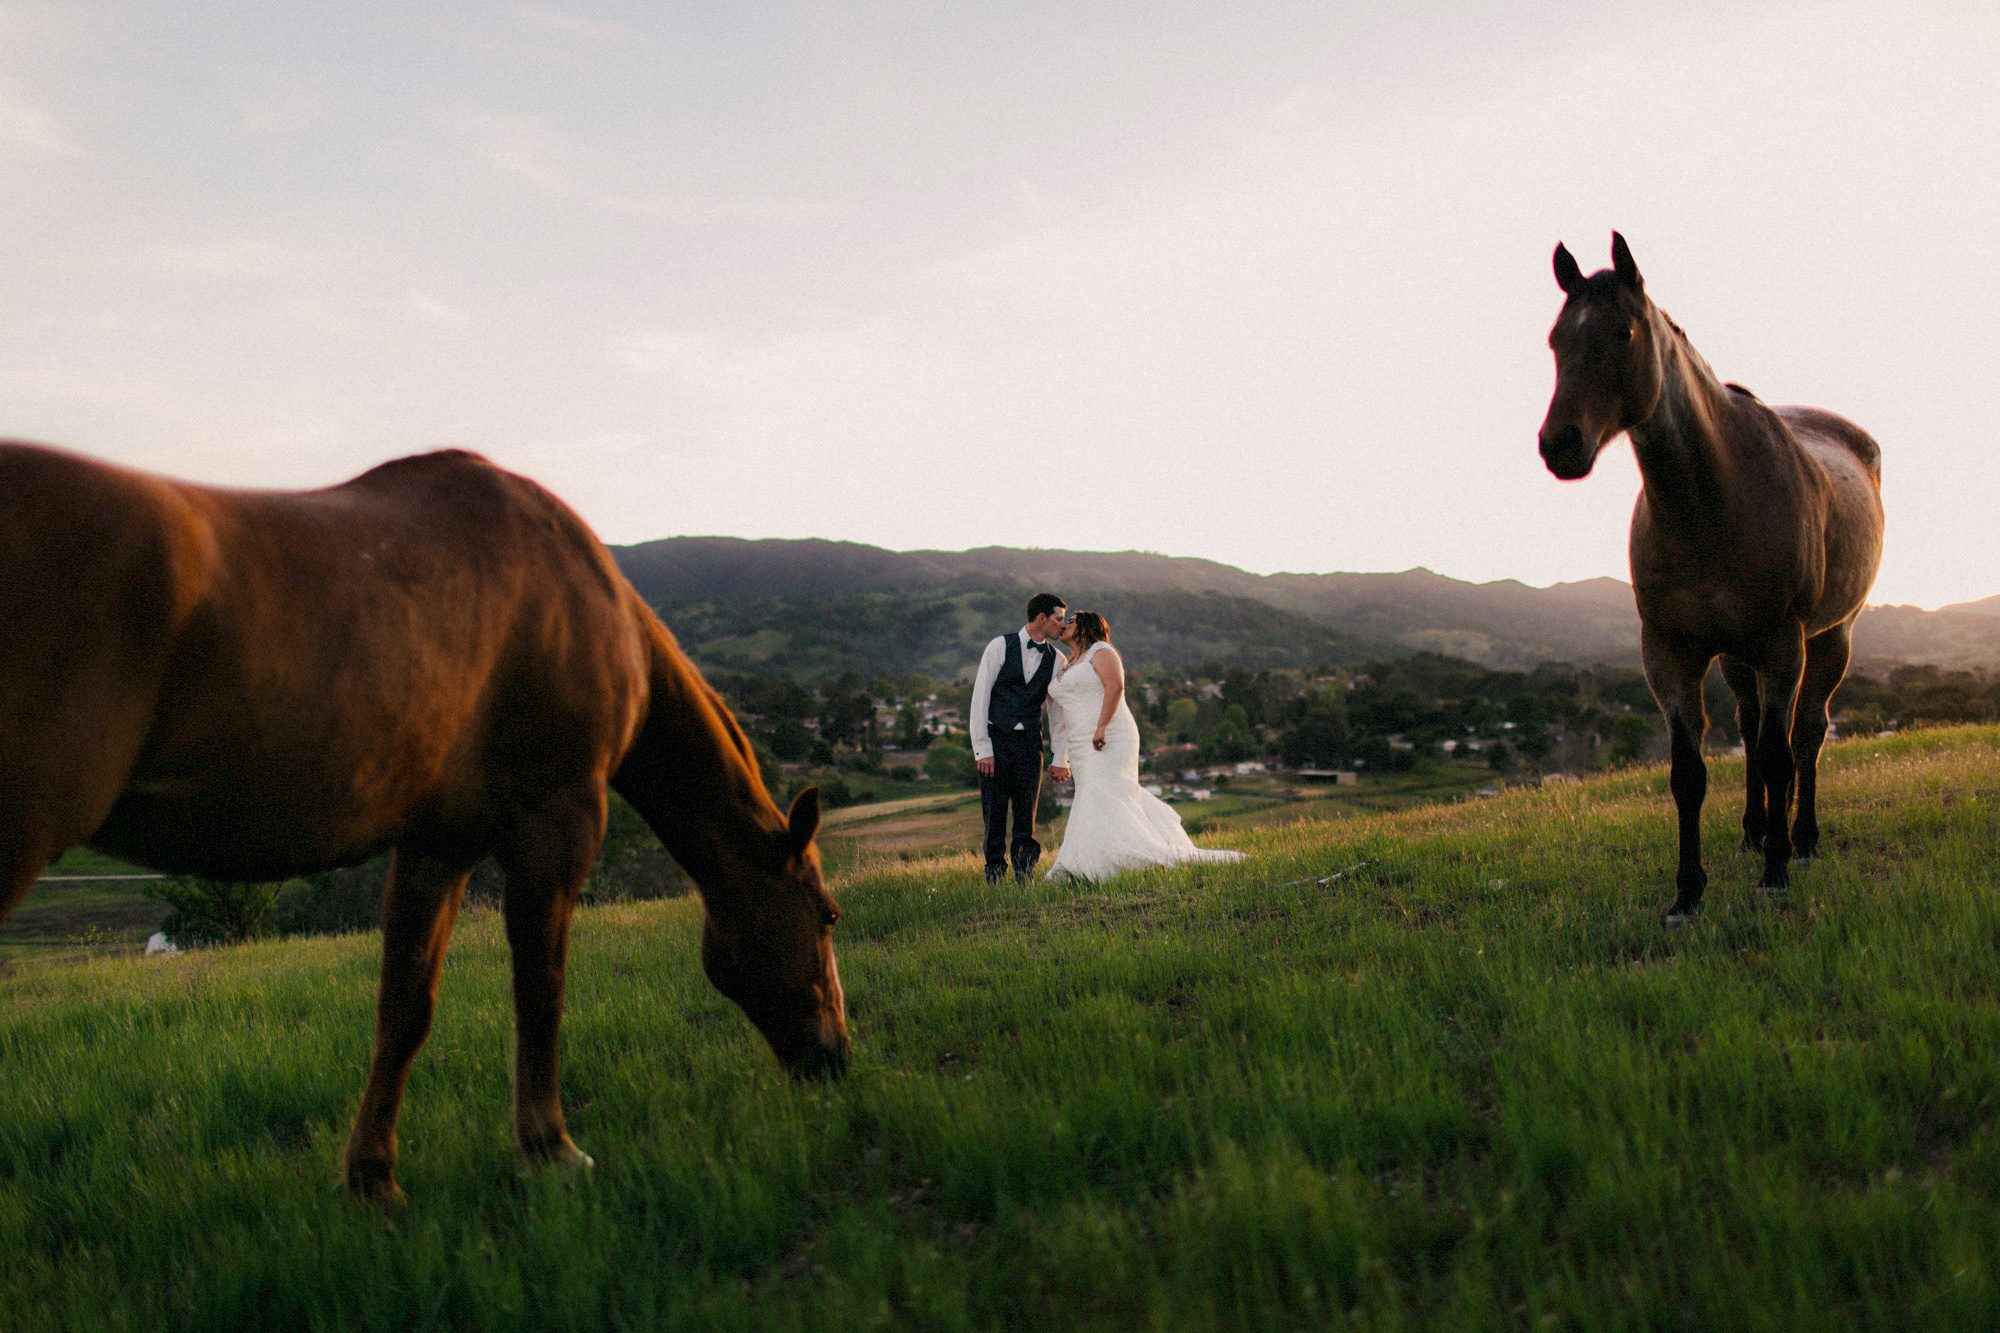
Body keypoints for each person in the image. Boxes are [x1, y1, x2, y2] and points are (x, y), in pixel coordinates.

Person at [1045, 611, 1244, 880]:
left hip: (1109, 735)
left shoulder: (1101, 651)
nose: (1065, 625)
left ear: (1085, 627)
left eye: (1071, 621)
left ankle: (1116, 860)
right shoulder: (1069, 662)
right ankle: (1087, 860)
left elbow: (1115, 687)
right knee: (1092, 796)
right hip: (1080, 743)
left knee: (1103, 792)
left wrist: (1102, 726)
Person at [968, 592, 1072, 883]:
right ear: (1042, 618)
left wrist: (1060, 757)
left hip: (1029, 746)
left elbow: (1057, 715)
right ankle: (995, 878)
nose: (1062, 626)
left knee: (1026, 817)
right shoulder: (999, 647)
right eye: (1059, 619)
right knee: (995, 816)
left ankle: (1025, 877)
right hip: (996, 743)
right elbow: (980, 699)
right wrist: (982, 749)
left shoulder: (1057, 660)